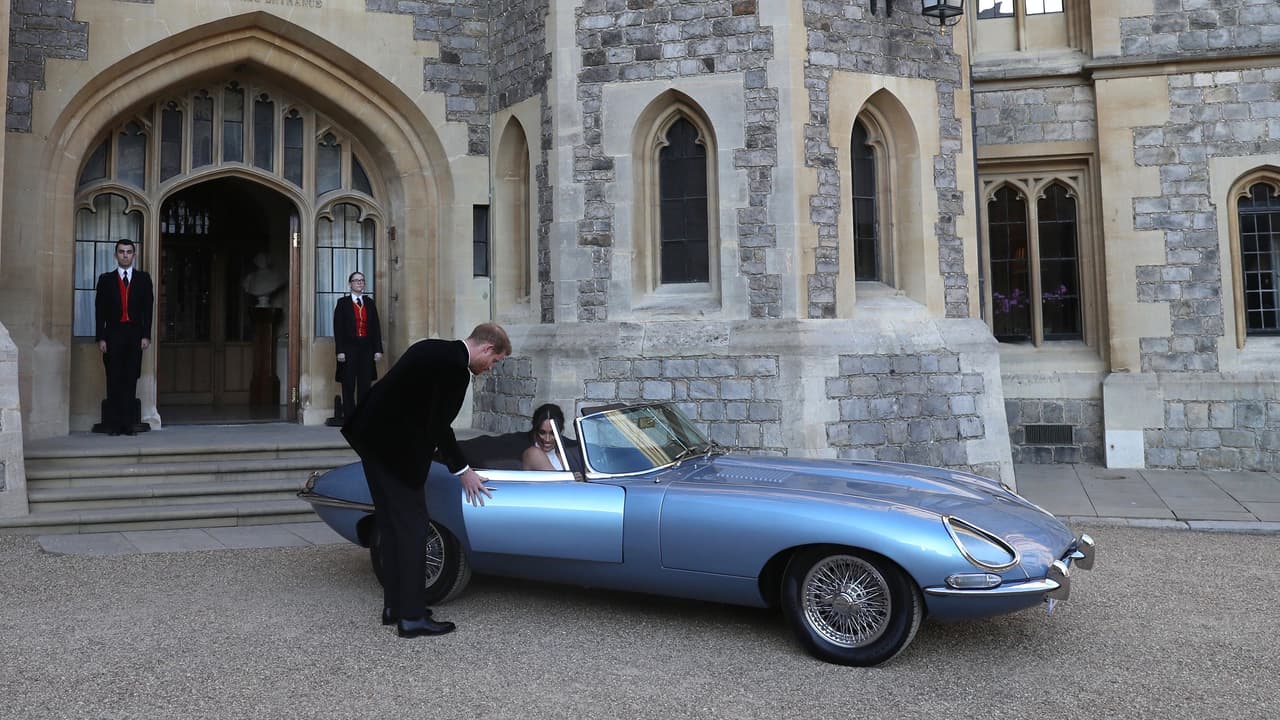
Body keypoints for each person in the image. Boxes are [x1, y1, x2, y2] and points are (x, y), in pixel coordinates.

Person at [341, 323, 510, 638]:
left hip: (370, 441)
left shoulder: (429, 347)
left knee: (391, 527)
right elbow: (438, 426)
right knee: (414, 530)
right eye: (495, 360)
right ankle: (413, 617)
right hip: (395, 454)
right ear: (487, 348)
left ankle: (395, 606)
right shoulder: (455, 370)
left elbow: (391, 393)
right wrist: (463, 471)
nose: (491, 367)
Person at [95, 238, 153, 436]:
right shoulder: (105, 280)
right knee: (113, 379)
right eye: (122, 252)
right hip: (113, 334)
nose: (125, 255)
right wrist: (101, 338)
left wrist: (146, 335)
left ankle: (128, 425)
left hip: (135, 334)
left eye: (129, 252)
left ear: (134, 255)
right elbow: (99, 311)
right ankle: (114, 425)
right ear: (115, 255)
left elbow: (148, 310)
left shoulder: (144, 279)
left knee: (130, 379)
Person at [332, 272, 383, 419]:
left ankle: (363, 417)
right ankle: (349, 417)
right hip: (349, 349)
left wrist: (377, 350)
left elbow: (376, 327)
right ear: (350, 284)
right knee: (348, 384)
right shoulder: (343, 303)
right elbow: (338, 328)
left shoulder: (370, 303)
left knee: (365, 383)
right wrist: (340, 351)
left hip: (366, 348)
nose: (360, 283)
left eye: (362, 280)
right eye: (356, 281)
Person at [522, 403, 569, 471]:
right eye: (542, 432)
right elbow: (556, 480)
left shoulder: (560, 456)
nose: (547, 439)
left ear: (560, 432)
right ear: (535, 431)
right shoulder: (533, 453)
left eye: (552, 433)